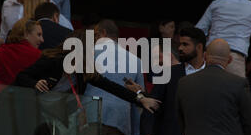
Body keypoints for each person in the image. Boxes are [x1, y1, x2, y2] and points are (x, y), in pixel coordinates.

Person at [14, 29, 160, 113]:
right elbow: (21, 76)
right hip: (35, 111)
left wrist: (141, 99)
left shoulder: (83, 69)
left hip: (59, 115)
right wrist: (35, 83)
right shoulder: (53, 60)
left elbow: (111, 87)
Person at [82, 19, 145, 135]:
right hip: (120, 121)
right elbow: (137, 99)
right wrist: (135, 134)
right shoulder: (135, 60)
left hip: (91, 117)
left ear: (100, 33)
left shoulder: (89, 53)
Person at [0, 20, 43, 90]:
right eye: (39, 35)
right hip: (26, 98)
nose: (42, 40)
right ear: (26, 34)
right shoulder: (38, 56)